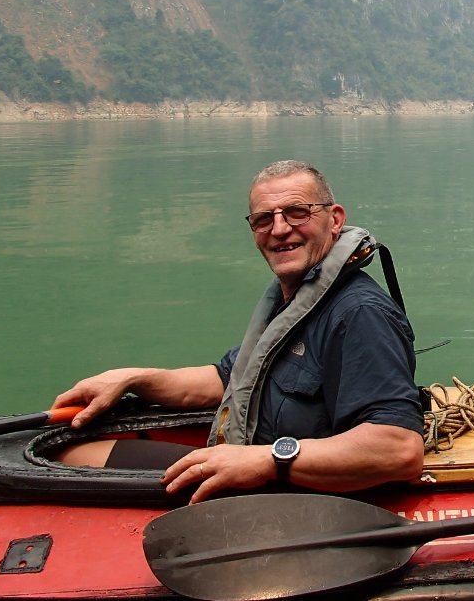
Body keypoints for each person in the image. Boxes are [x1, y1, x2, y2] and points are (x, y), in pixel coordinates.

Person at [53, 160, 425, 504]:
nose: (279, 229)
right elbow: (226, 378)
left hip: (298, 496)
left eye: (297, 213)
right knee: (70, 449)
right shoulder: (297, 299)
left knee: (75, 459)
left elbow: (397, 449)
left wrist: (266, 459)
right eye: (264, 219)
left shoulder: (360, 313)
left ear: (335, 219)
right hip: (256, 466)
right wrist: (133, 378)